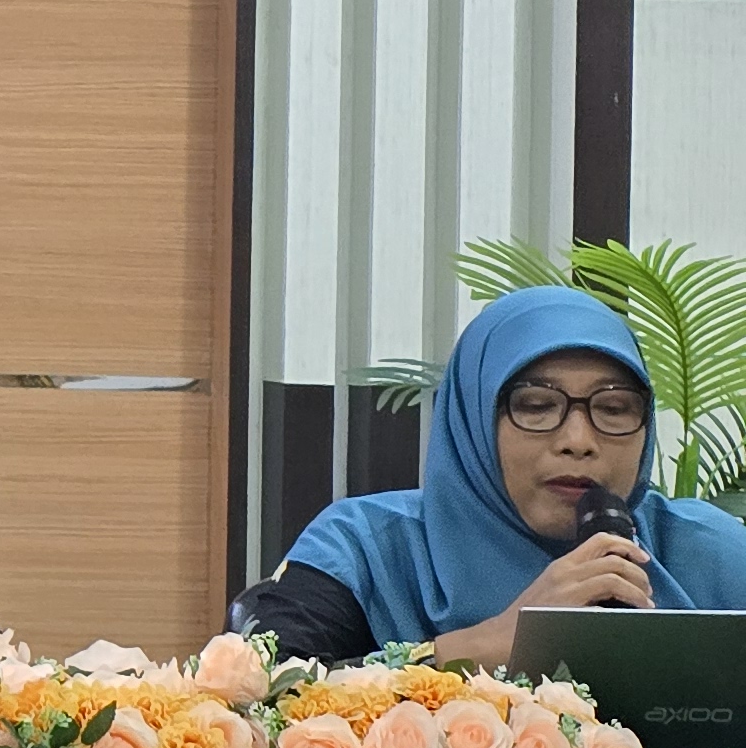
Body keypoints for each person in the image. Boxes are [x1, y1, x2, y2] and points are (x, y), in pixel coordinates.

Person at [237, 284, 746, 669]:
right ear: (474, 417)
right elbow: (250, 704)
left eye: (614, 409)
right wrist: (488, 645)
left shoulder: (711, 556)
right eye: (537, 405)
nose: (578, 440)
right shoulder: (367, 549)